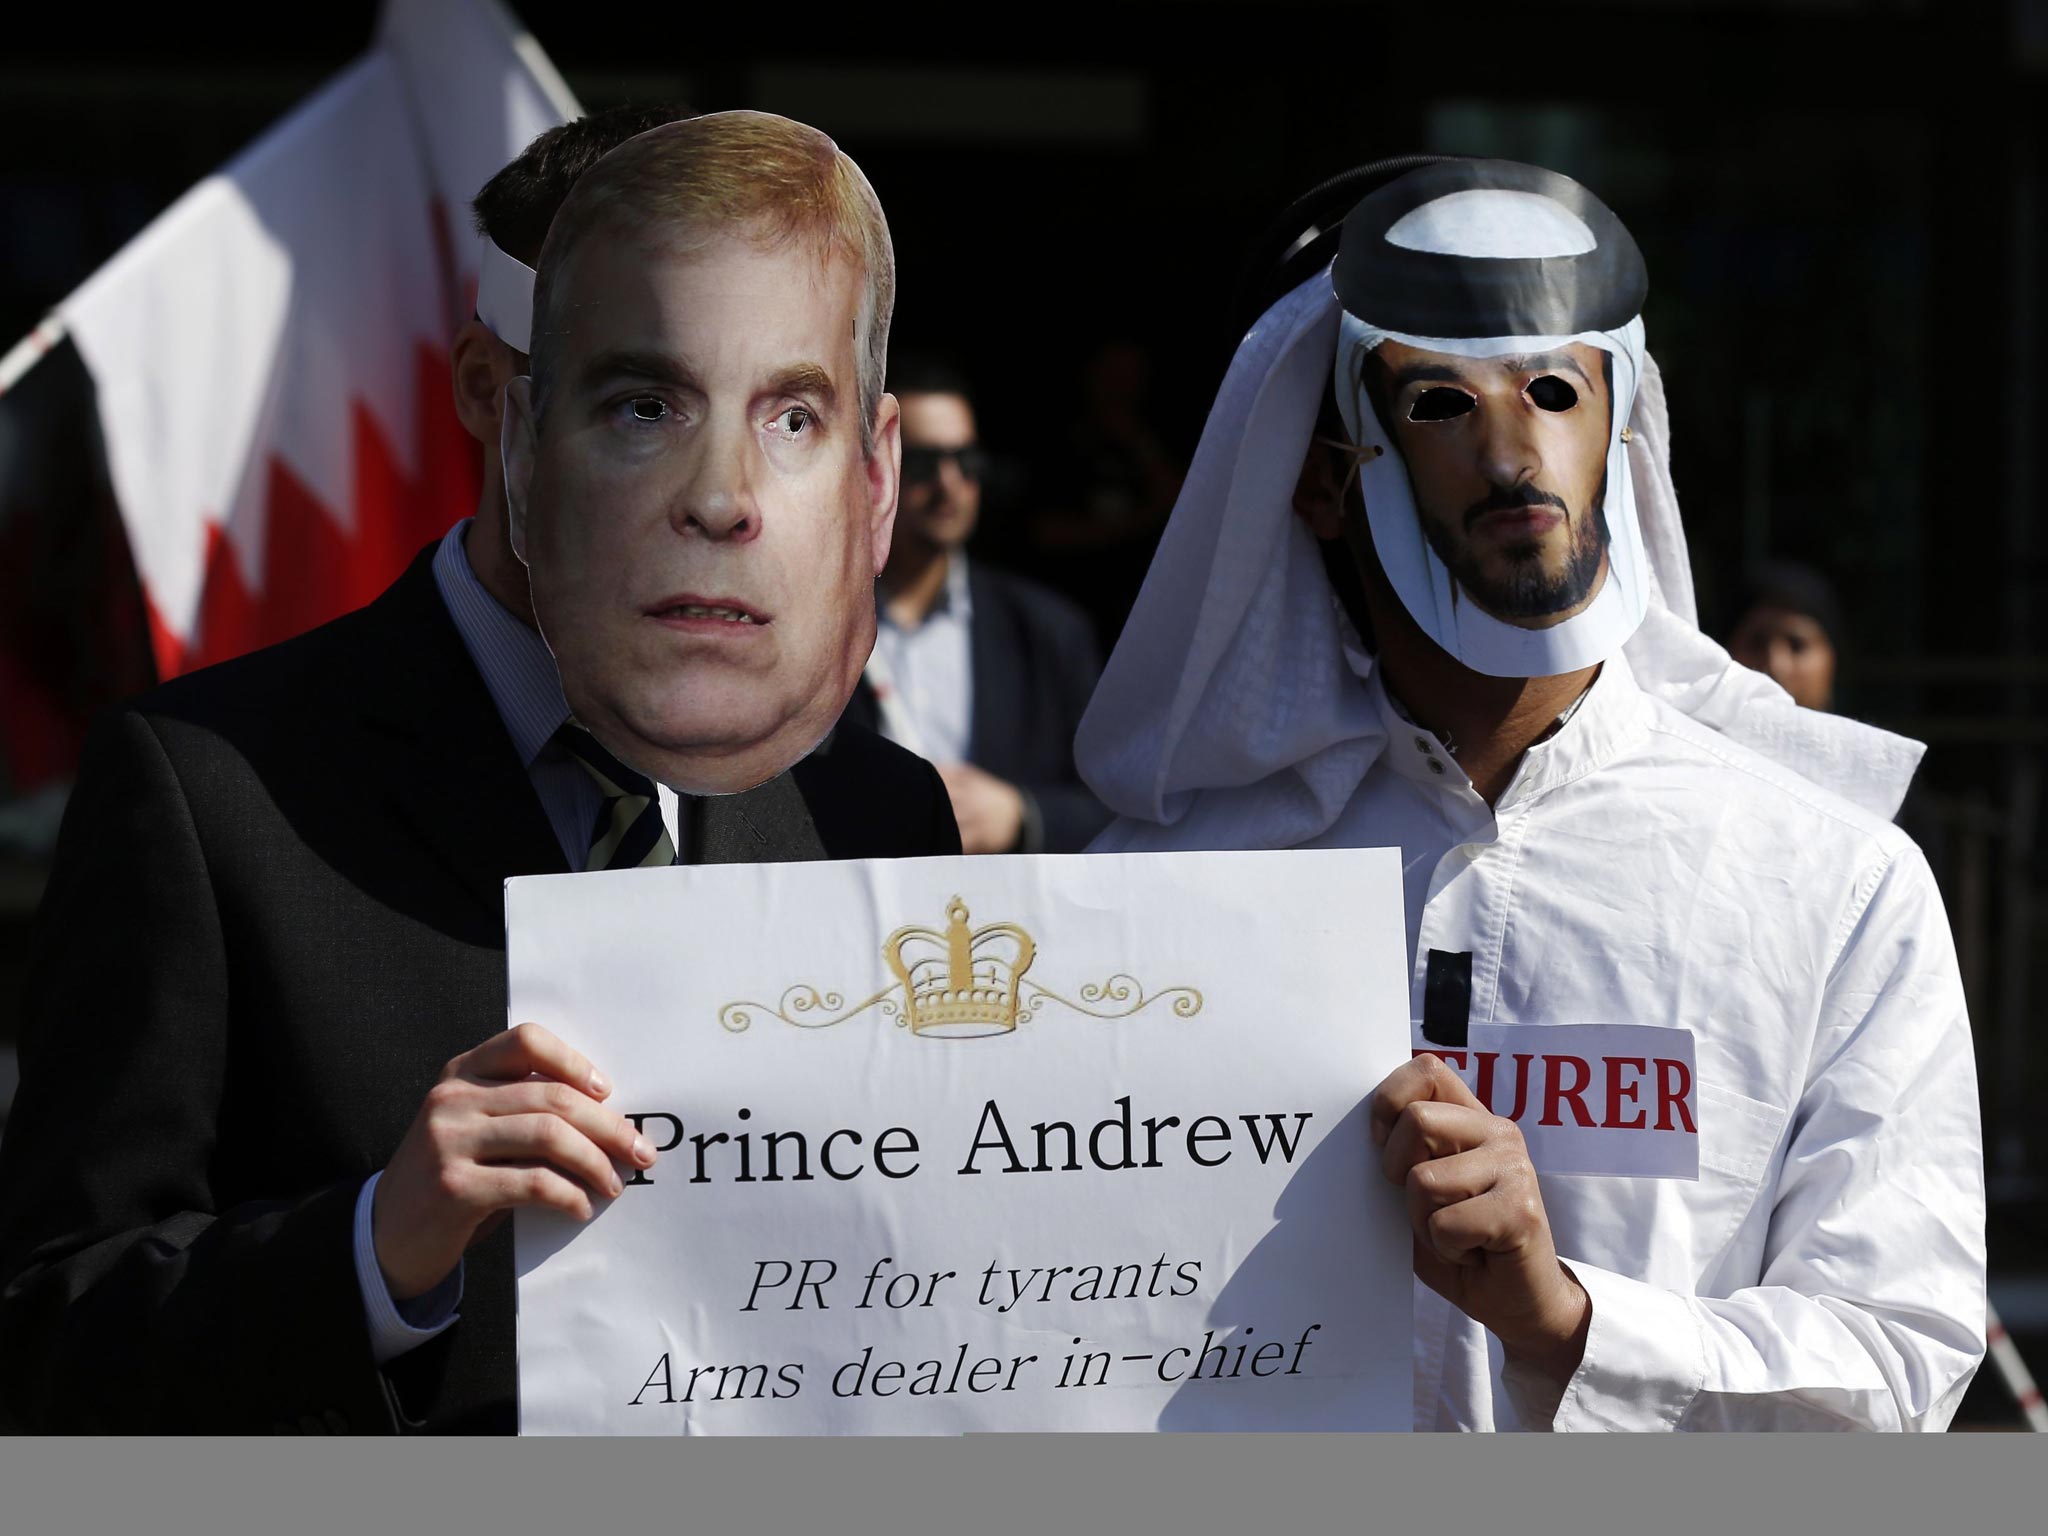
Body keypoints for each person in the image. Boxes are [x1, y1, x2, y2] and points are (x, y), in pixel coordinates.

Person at [0, 109, 958, 1434]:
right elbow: (48, 1339)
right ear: (487, 390)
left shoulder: (874, 810)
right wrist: (376, 1250)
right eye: (638, 400)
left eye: (780, 413)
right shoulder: (209, 792)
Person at [1076, 157, 1984, 1430]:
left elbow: (1897, 1370)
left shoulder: (1831, 884)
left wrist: (1563, 1322)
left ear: (1620, 428)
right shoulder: (1148, 900)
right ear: (1321, 477)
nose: (1514, 461)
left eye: (1554, 391)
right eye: (1442, 403)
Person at [839, 357, 1110, 853]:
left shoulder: (1048, 630)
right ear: (874, 471)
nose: (949, 484)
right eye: (921, 463)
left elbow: (1114, 803)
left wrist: (1022, 814)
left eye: (966, 462)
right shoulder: (819, 630)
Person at [1725, 559, 1842, 712]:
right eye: (1756, 643)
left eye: (1796, 646)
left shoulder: (1874, 736)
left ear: (1831, 659)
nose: (1776, 666)